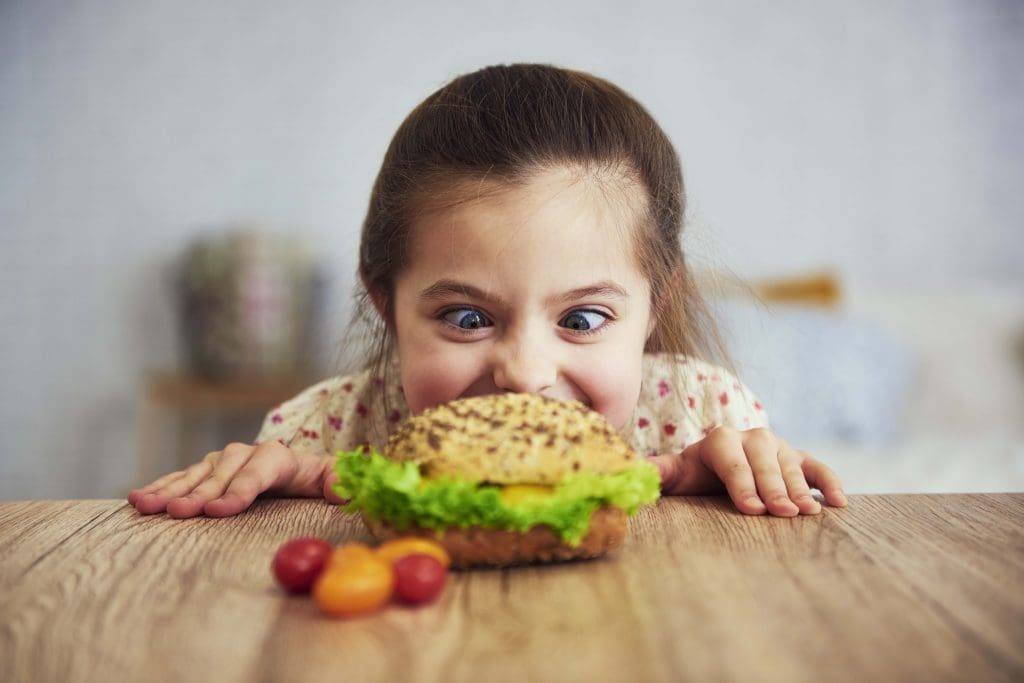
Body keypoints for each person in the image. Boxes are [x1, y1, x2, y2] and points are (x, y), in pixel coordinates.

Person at [129, 63, 846, 520]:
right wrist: (265, 493)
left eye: (584, 317)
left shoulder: (700, 416)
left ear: (654, 306)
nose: (526, 373)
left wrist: (744, 483)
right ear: (387, 302)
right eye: (468, 317)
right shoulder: (317, 434)